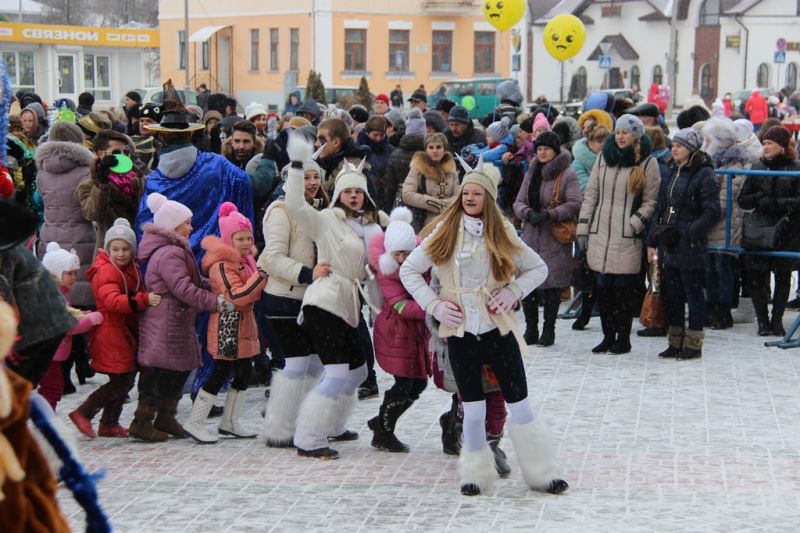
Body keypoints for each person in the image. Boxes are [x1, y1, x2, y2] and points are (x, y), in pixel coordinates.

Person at [399, 158, 568, 497]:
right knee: (472, 409)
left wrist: (512, 291)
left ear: (489, 199)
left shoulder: (502, 231)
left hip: (498, 331)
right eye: (466, 192)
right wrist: (435, 305)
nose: (470, 198)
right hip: (460, 335)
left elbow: (538, 269)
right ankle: (474, 474)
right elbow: (408, 271)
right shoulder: (444, 231)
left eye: (478, 193)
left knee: (520, 404)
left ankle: (542, 473)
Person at [283, 136, 380, 459]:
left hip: (349, 304)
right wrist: (298, 166)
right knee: (338, 372)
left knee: (359, 372)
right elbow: (295, 206)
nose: (353, 197)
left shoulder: (373, 224)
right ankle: (308, 437)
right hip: (324, 303)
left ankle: (334, 424)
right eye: (347, 191)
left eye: (358, 192)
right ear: (338, 194)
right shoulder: (325, 220)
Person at [131, 193, 225, 442]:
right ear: (173, 226)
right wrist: (215, 302)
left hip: (175, 320)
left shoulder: (174, 249)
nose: (191, 227)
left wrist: (216, 284)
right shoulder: (170, 253)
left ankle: (166, 415)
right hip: (166, 321)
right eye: (187, 222)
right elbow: (183, 288)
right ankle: (142, 421)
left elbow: (192, 280)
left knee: (178, 369)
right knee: (160, 373)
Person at [183, 203, 267, 443]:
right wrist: (261, 276)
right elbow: (237, 296)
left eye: (248, 238)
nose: (244, 242)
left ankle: (230, 421)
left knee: (244, 371)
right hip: (227, 325)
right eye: (239, 238)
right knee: (220, 372)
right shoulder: (221, 265)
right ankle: (195, 421)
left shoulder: (245, 262)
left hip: (244, 323)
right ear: (229, 239)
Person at [69, 218, 161, 439]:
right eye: (116, 249)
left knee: (124, 380)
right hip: (111, 333)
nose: (121, 254)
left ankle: (109, 423)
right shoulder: (106, 271)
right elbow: (112, 301)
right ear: (108, 248)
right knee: (122, 380)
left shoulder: (131, 268)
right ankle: (84, 412)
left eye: (125, 249)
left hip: (123, 333)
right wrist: (143, 299)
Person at [577, 114, 660, 354]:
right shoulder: (604, 157)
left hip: (626, 237)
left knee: (622, 292)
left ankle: (623, 338)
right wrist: (584, 227)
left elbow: (650, 201)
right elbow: (591, 194)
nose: (621, 136)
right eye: (619, 131)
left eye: (626, 132)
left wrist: (633, 224)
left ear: (636, 135)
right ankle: (607, 335)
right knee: (602, 291)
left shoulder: (647, 163)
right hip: (600, 234)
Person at [259, 160, 328, 448]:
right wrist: (307, 274)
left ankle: (309, 423)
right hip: (283, 298)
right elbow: (272, 258)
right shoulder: (280, 210)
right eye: (305, 177)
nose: (312, 182)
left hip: (311, 299)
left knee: (315, 365)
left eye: (316, 177)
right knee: (295, 365)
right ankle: (279, 427)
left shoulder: (315, 210)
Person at [648, 129, 720, 360]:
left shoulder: (704, 173)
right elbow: (661, 206)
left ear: (691, 149)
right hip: (669, 242)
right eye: (674, 145)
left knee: (693, 293)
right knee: (672, 294)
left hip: (690, 244)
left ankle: (693, 343)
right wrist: (655, 236)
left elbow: (712, 211)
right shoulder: (670, 170)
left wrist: (690, 232)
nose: (674, 149)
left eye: (680, 145)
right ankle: (675, 341)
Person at [366, 207, 429, 452]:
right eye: (398, 253)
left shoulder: (421, 266)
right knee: (404, 384)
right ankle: (383, 432)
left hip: (413, 335)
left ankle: (381, 420)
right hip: (395, 333)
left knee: (418, 384)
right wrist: (433, 307)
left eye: (407, 253)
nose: (402, 258)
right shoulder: (387, 270)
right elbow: (401, 305)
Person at [514, 131, 582, 347]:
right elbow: (518, 202)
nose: (542, 153)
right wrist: (527, 213)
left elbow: (575, 202)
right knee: (528, 283)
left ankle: (548, 329)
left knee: (552, 284)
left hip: (554, 235)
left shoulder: (567, 174)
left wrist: (551, 214)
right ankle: (531, 328)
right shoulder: (532, 171)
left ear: (555, 151)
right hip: (531, 235)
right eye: (539, 149)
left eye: (546, 149)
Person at [738, 125, 800, 336]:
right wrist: (759, 199)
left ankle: (777, 320)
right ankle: (763, 321)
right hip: (760, 228)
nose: (765, 147)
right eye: (764, 143)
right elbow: (743, 200)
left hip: (787, 228)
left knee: (782, 276)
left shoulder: (795, 168)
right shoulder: (757, 167)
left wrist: (779, 202)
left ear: (782, 146)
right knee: (757, 275)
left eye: (770, 143)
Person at [35, 121, 97, 308]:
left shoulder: (42, 173)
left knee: (55, 295)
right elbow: (91, 209)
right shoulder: (86, 172)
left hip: (50, 238)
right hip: (81, 239)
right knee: (79, 290)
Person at [38, 243, 103, 410]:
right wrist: (90, 320)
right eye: (69, 273)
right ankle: (43, 419)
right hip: (47, 353)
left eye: (75, 273)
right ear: (56, 273)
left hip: (50, 353)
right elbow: (66, 325)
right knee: (52, 389)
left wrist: (85, 314)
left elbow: (68, 313)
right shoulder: (52, 295)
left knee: (53, 388)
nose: (74, 277)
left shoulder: (58, 292)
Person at [702, 117, 750, 329]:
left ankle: (722, 311)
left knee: (722, 269)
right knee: (710, 269)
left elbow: (727, 197)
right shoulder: (710, 160)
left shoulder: (733, 163)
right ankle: (711, 308)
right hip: (710, 224)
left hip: (724, 225)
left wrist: (707, 213)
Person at [78, 130, 145, 253]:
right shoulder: (89, 184)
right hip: (112, 251)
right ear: (100, 154)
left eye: (126, 152)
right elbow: (93, 214)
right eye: (116, 152)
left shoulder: (138, 178)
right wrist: (102, 184)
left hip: (140, 246)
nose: (123, 156)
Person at [401, 132, 459, 231]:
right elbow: (407, 194)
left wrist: (446, 205)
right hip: (424, 222)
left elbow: (458, 195)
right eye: (431, 147)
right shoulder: (417, 169)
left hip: (449, 220)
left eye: (438, 147)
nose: (435, 151)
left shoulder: (452, 171)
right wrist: (435, 204)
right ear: (426, 150)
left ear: (444, 149)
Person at [383, 109, 426, 211]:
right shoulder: (430, 155)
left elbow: (389, 187)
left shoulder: (395, 155)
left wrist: (388, 208)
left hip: (401, 204)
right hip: (425, 205)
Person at [358, 116, 395, 206]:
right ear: (367, 133)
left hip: (384, 194)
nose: (378, 138)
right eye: (375, 135)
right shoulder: (359, 149)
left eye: (381, 135)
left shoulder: (390, 150)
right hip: (364, 191)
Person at [444, 105, 485, 175]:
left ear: (466, 124)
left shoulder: (478, 137)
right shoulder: (444, 136)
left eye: (457, 125)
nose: (453, 129)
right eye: (451, 125)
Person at [131, 103, 162, 171]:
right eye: (141, 121)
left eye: (149, 121)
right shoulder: (130, 141)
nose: (144, 124)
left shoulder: (160, 145)